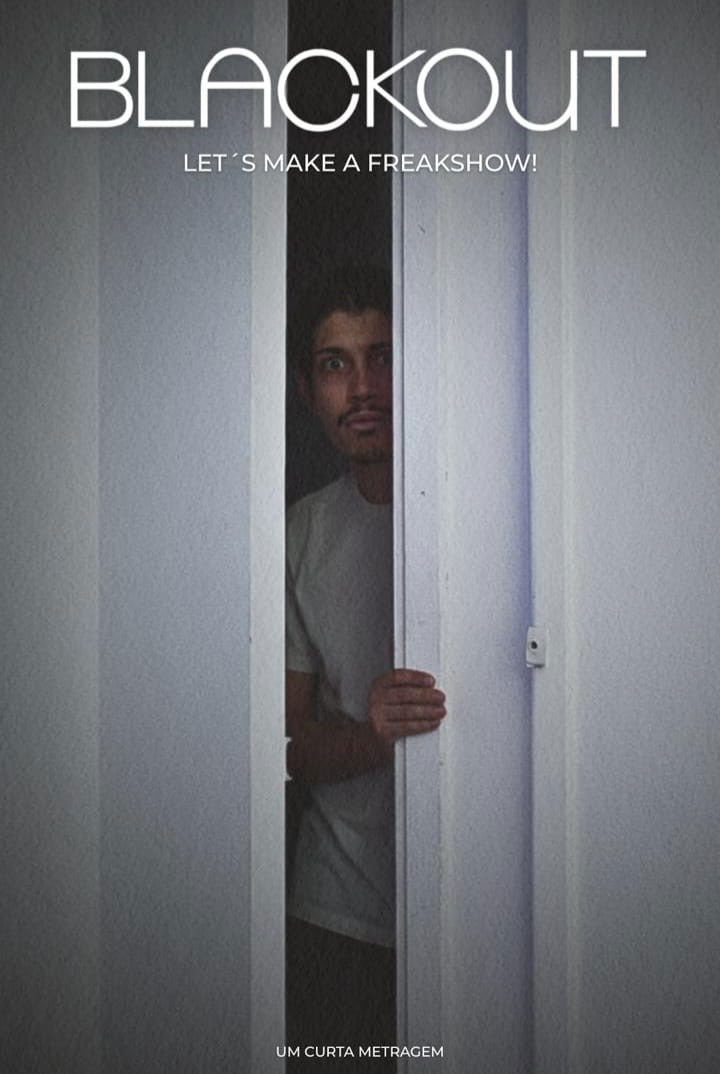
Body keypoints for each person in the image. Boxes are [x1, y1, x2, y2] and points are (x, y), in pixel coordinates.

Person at [285, 266, 446, 1070]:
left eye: (381, 355)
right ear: (306, 392)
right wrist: (372, 737)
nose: (362, 387)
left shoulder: (475, 510)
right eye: (335, 364)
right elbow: (285, 748)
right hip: (335, 913)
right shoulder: (297, 535)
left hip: (467, 913)